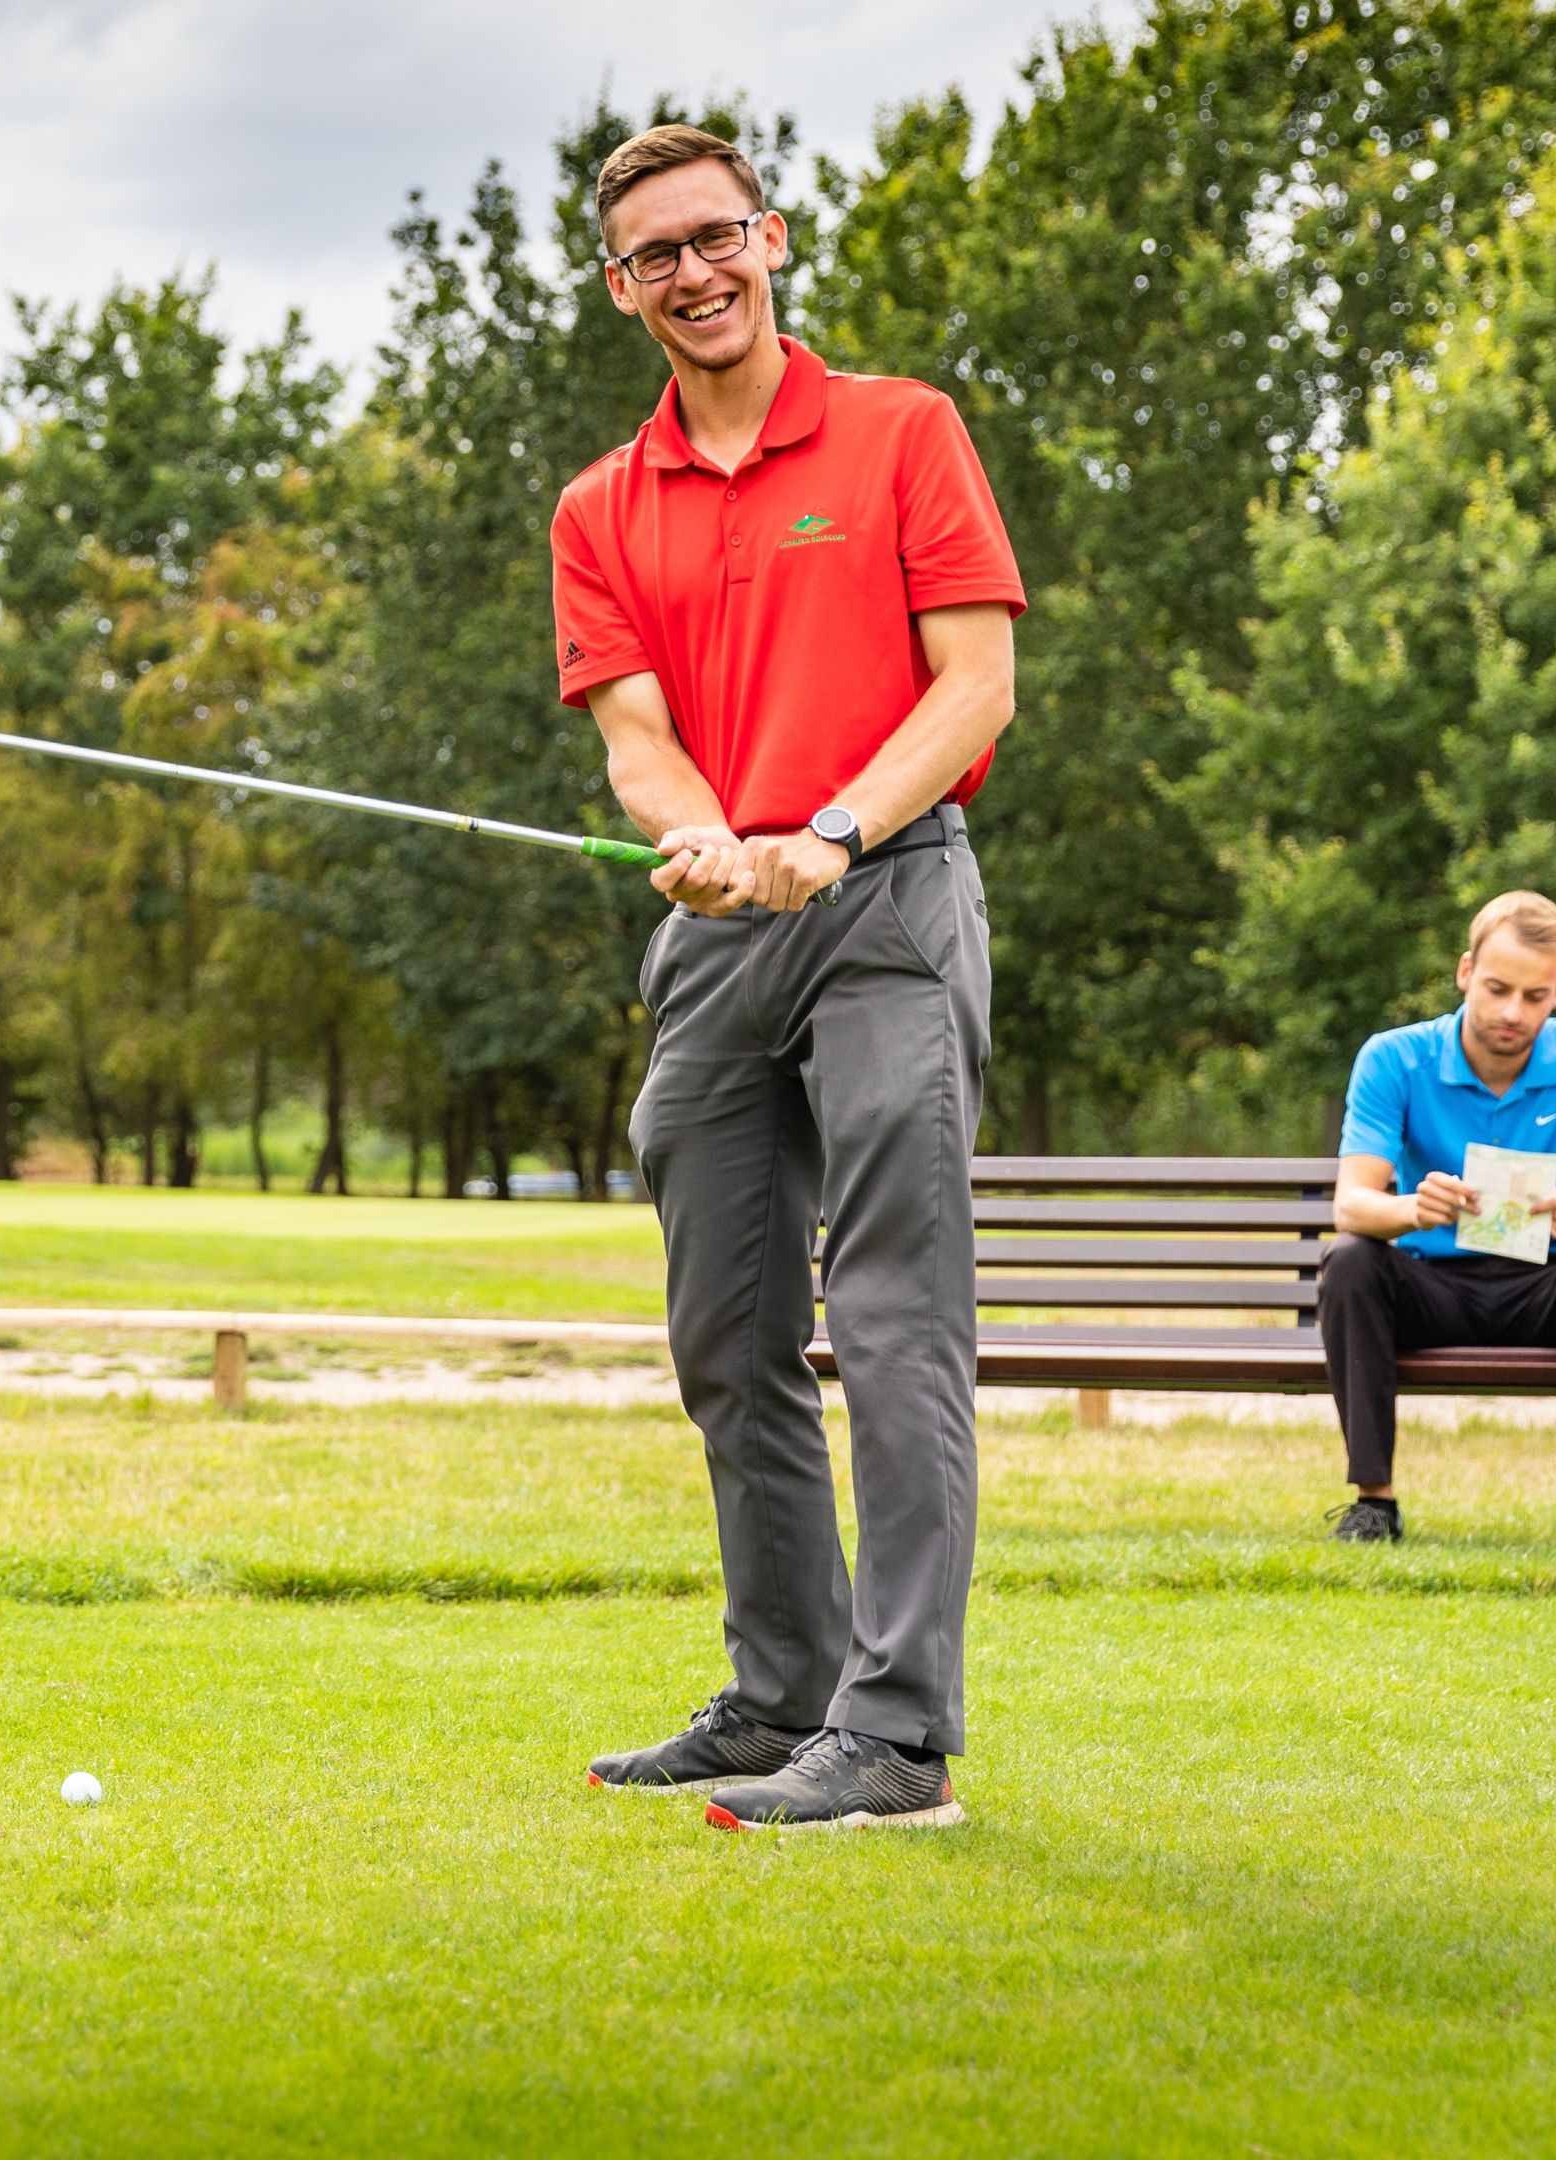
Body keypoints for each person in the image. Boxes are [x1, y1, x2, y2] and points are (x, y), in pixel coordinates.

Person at [557, 126, 1022, 1830]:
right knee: (728, 1334)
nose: (693, 273)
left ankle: (897, 1739)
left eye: (714, 237)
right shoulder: (601, 508)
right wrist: (701, 839)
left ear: (769, 237)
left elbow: (973, 687)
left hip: (889, 898)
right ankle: (781, 1695)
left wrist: (823, 831)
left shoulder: (904, 432)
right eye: (654, 257)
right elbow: (637, 743)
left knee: (896, 1318)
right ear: (622, 292)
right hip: (718, 935)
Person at [1317, 892, 1556, 1548]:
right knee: (1351, 1258)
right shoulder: (1393, 1057)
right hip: (1430, 1286)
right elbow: (1352, 1205)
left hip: (1547, 1288)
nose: (1512, 1012)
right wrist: (1412, 1209)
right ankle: (1373, 1505)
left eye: (1535, 995)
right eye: (1498, 988)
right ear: (1465, 971)